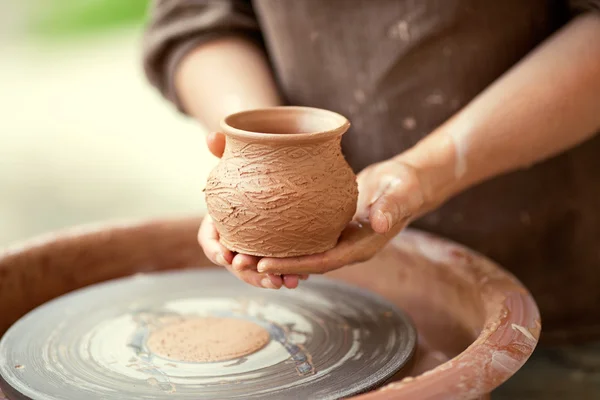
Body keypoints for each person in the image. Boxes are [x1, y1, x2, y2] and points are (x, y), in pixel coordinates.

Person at [143, 1, 600, 396]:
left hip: (548, 278)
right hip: (317, 311)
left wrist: (427, 170)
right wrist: (258, 143)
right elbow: (199, 18)